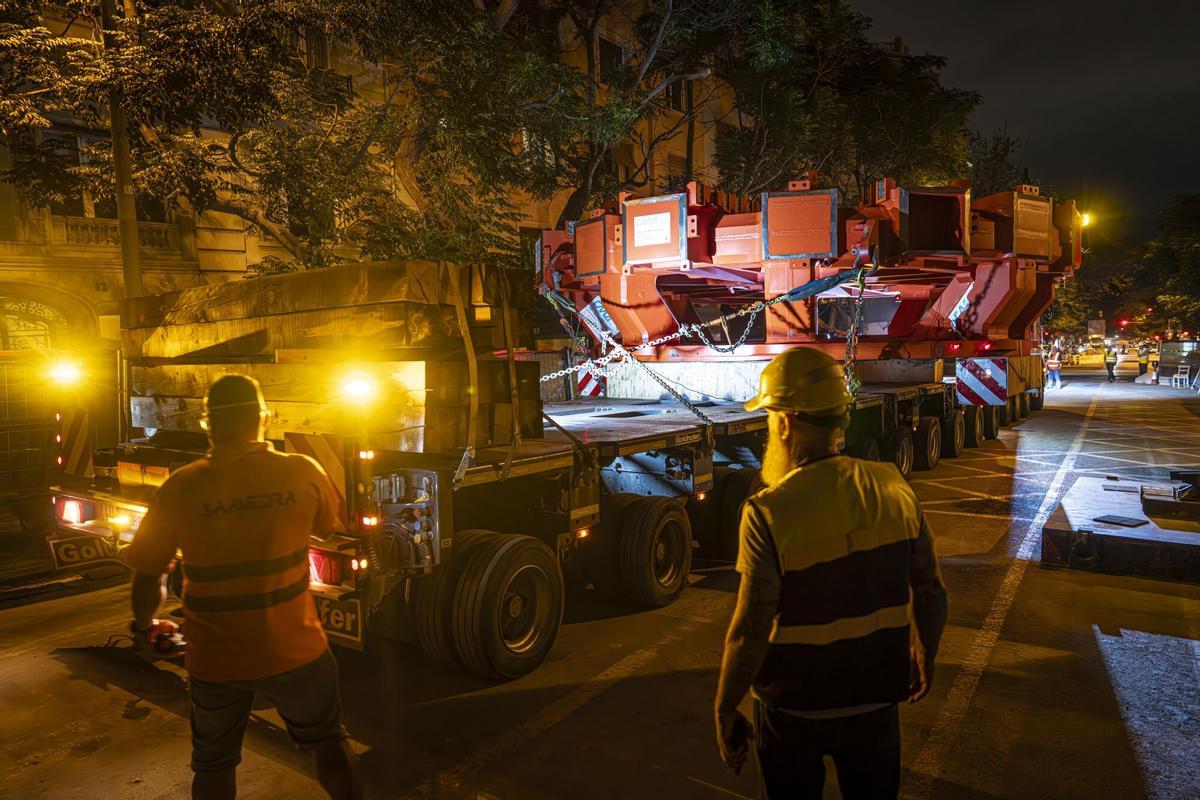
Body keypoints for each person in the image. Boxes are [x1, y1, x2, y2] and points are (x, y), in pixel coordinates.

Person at [714, 349, 948, 799]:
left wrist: (725, 707)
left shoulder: (767, 511)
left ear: (784, 423)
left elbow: (750, 630)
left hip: (792, 710)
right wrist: (927, 653)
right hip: (877, 700)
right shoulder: (894, 486)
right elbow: (931, 590)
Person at [126, 374, 363, 800]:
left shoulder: (180, 488)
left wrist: (145, 627)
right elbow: (328, 527)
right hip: (297, 650)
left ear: (206, 424)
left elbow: (148, 576)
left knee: (214, 764)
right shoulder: (301, 471)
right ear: (264, 418)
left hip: (216, 657)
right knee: (329, 742)